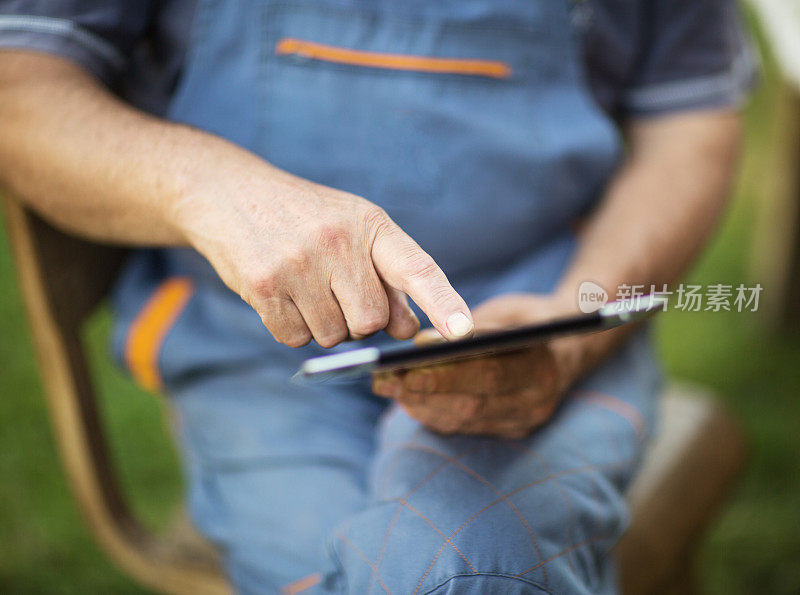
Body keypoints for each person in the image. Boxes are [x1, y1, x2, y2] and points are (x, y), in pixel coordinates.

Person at [0, 1, 755, 593]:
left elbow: (688, 129)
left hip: (545, 322)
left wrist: (572, 328)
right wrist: (220, 193)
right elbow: (21, 91)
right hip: (260, 350)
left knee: (473, 562)